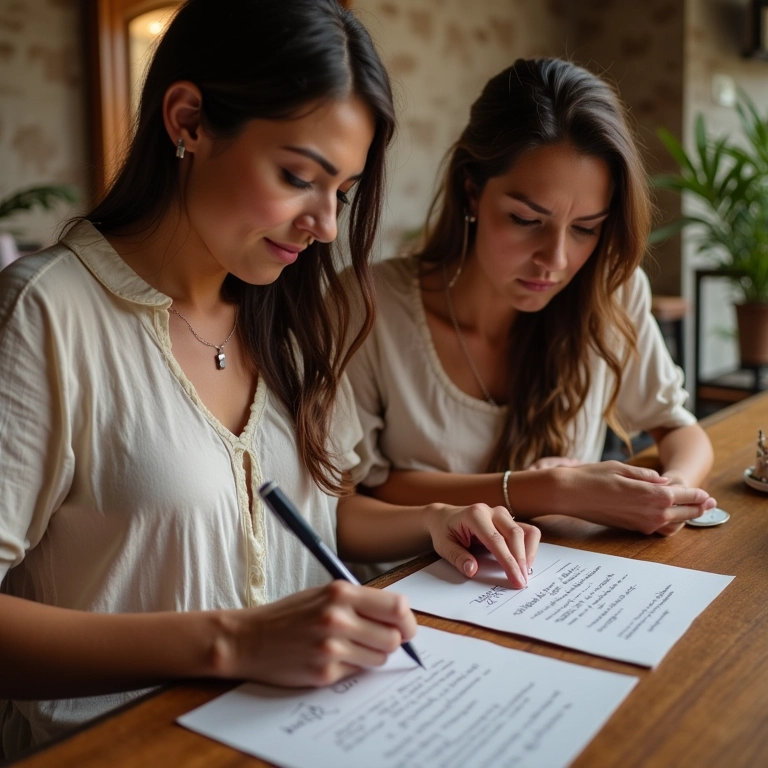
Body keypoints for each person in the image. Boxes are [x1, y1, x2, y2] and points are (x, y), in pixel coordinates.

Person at [0, 2, 540, 757]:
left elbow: (312, 514)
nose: (324, 223)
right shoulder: (46, 315)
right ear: (188, 120)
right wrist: (230, 642)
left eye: (343, 192)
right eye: (298, 176)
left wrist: (431, 520)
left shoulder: (288, 316)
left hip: (308, 735)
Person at [345, 58, 716, 555]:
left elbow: (678, 427)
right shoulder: (370, 306)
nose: (556, 261)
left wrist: (667, 492)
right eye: (525, 219)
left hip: (554, 591)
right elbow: (361, 493)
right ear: (471, 191)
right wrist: (553, 489)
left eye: (586, 228)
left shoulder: (609, 294)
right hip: (412, 593)